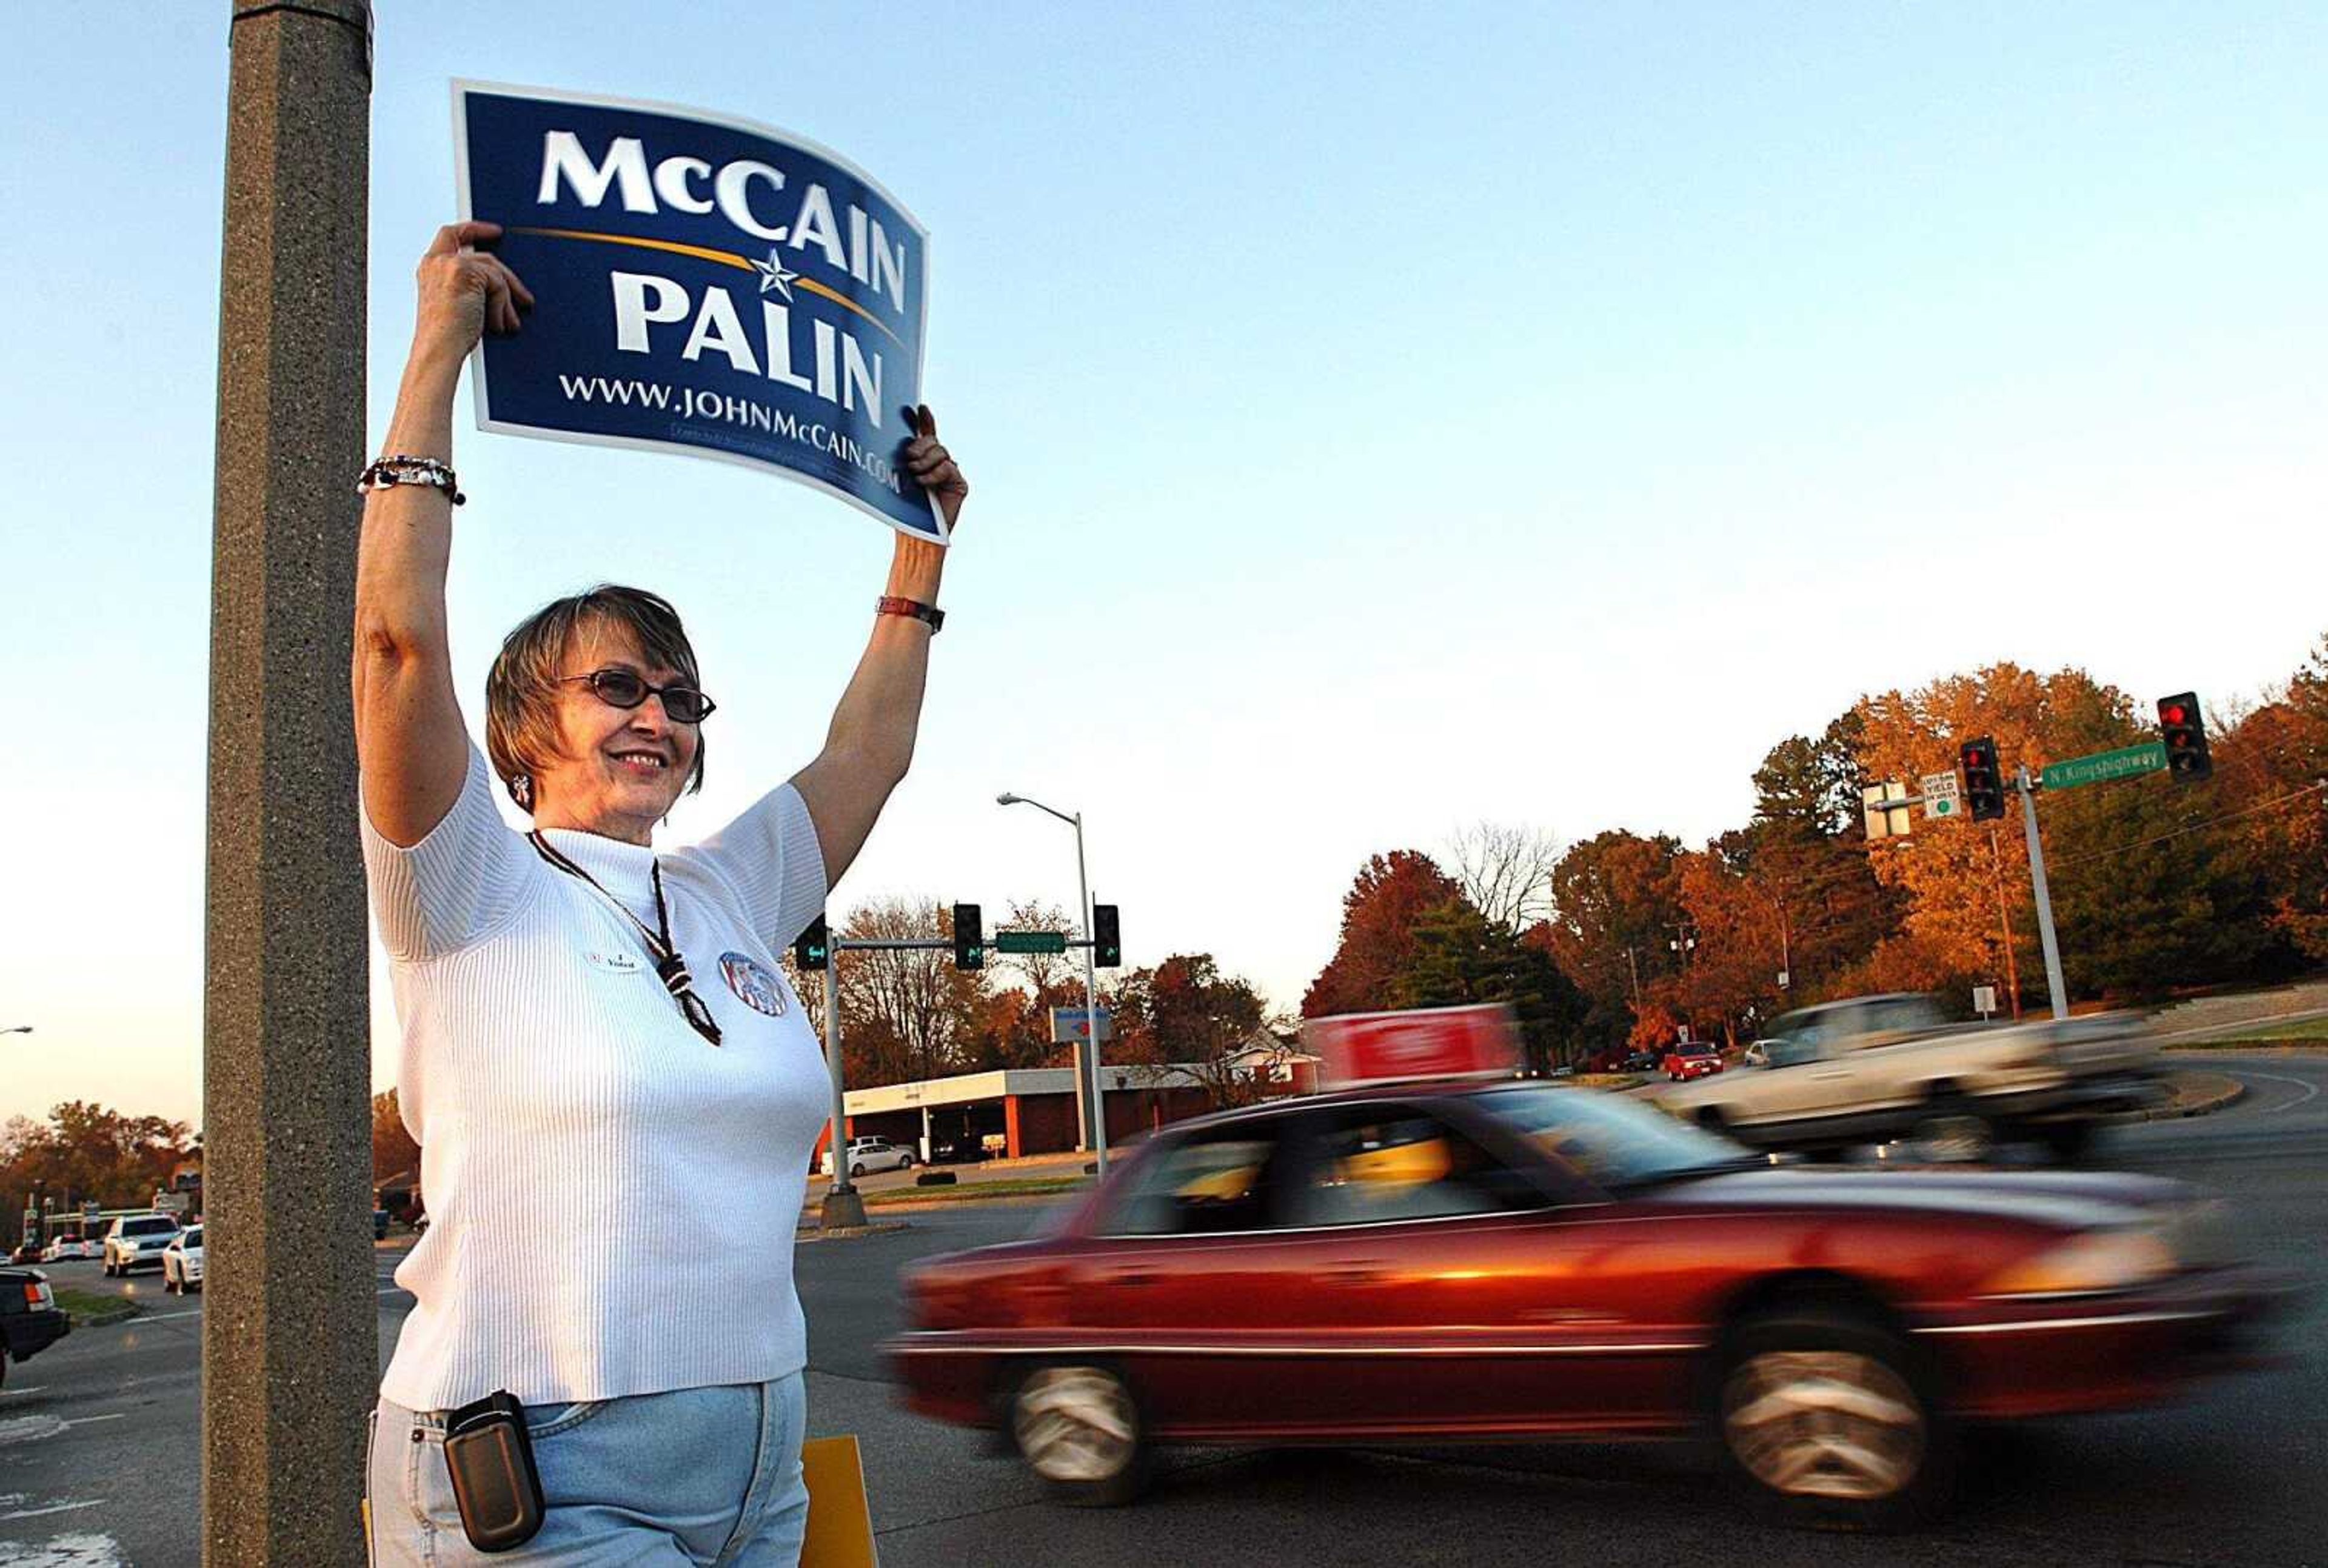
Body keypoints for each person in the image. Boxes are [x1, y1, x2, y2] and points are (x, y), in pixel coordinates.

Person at [355, 221, 966, 1564]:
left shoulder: (732, 886)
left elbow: (871, 751)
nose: (659, 716)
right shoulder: (464, 877)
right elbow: (397, 645)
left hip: (759, 1463)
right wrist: (437, 350)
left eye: (680, 696)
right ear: (525, 726)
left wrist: (923, 552)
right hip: (539, 1465)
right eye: (618, 686)